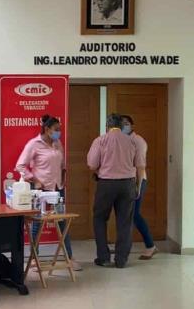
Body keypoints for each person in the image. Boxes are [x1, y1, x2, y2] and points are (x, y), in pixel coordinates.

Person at [16, 114, 81, 271]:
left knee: (62, 222)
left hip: (57, 189)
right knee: (37, 224)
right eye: (56, 130)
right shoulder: (34, 144)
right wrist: (34, 180)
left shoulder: (58, 143)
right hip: (41, 191)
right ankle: (34, 258)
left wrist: (64, 178)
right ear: (47, 129)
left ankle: (69, 257)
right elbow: (21, 166)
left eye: (59, 129)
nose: (59, 132)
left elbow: (63, 164)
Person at [87, 113, 144, 268]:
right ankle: (121, 259)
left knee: (99, 218)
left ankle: (104, 257)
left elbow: (92, 165)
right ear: (121, 126)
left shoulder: (100, 140)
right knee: (125, 222)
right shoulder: (132, 141)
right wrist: (138, 185)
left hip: (106, 184)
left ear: (107, 126)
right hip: (127, 184)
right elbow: (139, 164)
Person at [121, 115, 157, 259]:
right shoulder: (122, 141)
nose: (124, 126)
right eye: (122, 124)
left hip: (138, 181)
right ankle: (122, 246)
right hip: (125, 181)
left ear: (132, 125)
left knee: (134, 214)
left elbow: (140, 167)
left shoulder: (138, 141)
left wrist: (138, 186)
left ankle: (150, 246)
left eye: (127, 123)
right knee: (125, 215)